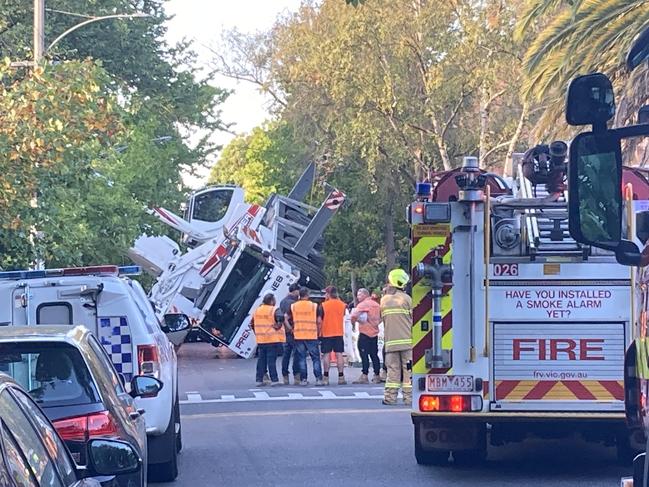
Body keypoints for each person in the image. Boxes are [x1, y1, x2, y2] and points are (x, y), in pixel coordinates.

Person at [381, 269, 413, 406]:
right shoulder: (407, 299)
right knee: (408, 371)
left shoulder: (384, 300)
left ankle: (390, 398)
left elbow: (380, 318)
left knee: (392, 371)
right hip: (407, 342)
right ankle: (409, 398)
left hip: (391, 343)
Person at [288, 287, 324, 386]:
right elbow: (319, 321)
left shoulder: (293, 306)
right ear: (307, 295)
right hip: (311, 335)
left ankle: (303, 379)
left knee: (301, 358)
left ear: (299, 295)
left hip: (298, 335)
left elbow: (286, 318)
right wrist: (319, 332)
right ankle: (318, 379)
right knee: (315, 358)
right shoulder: (314, 306)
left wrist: (291, 329)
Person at [251, 293, 285, 387]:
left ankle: (259, 379)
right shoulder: (274, 309)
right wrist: (278, 325)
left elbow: (252, 323)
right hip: (272, 339)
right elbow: (281, 317)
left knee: (261, 360)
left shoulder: (257, 310)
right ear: (271, 301)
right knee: (271, 360)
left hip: (261, 339)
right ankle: (274, 380)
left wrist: (257, 332)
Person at [350, 288, 382, 384]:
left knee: (364, 355)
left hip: (365, 333)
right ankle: (377, 375)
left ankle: (364, 375)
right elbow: (382, 317)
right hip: (374, 333)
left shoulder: (363, 304)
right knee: (374, 355)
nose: (358, 297)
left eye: (359, 295)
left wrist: (353, 322)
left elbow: (353, 315)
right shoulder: (377, 305)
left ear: (365, 295)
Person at [320, 285, 347, 385]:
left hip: (326, 332)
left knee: (326, 354)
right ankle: (341, 377)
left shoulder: (323, 305)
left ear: (328, 294)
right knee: (339, 354)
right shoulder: (342, 305)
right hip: (338, 332)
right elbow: (343, 315)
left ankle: (326, 377)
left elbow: (319, 320)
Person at [280, 283, 301, 385]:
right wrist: (291, 328)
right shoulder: (294, 303)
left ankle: (285, 376)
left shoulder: (282, 301)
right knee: (296, 353)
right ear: (295, 291)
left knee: (286, 354)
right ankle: (296, 375)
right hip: (293, 330)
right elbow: (288, 317)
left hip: (285, 331)